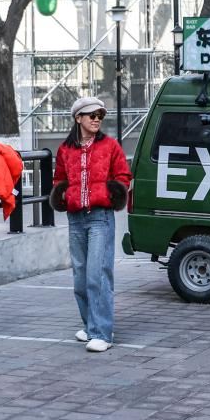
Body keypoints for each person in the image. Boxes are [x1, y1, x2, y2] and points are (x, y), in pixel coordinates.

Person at [50, 96, 132, 353]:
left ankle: (102, 332)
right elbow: (59, 179)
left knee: (98, 275)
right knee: (80, 278)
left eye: (100, 115)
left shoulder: (110, 146)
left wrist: (110, 193)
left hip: (100, 217)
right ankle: (90, 325)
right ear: (78, 118)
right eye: (91, 115)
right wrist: (63, 195)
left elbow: (123, 176)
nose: (96, 119)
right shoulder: (66, 149)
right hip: (76, 218)